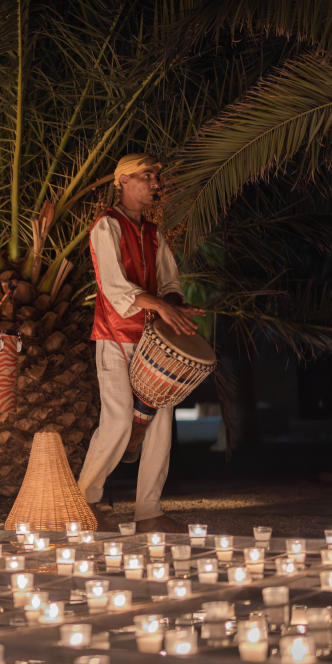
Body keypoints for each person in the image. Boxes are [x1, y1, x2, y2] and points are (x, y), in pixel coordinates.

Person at [77, 154, 204, 534]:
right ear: (123, 181)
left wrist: (175, 303)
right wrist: (161, 306)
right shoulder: (106, 224)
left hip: (152, 341)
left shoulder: (153, 232)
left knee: (161, 424)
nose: (154, 184)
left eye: (154, 177)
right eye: (146, 176)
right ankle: (82, 504)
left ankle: (149, 512)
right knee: (118, 421)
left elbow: (169, 281)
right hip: (115, 336)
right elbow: (113, 286)